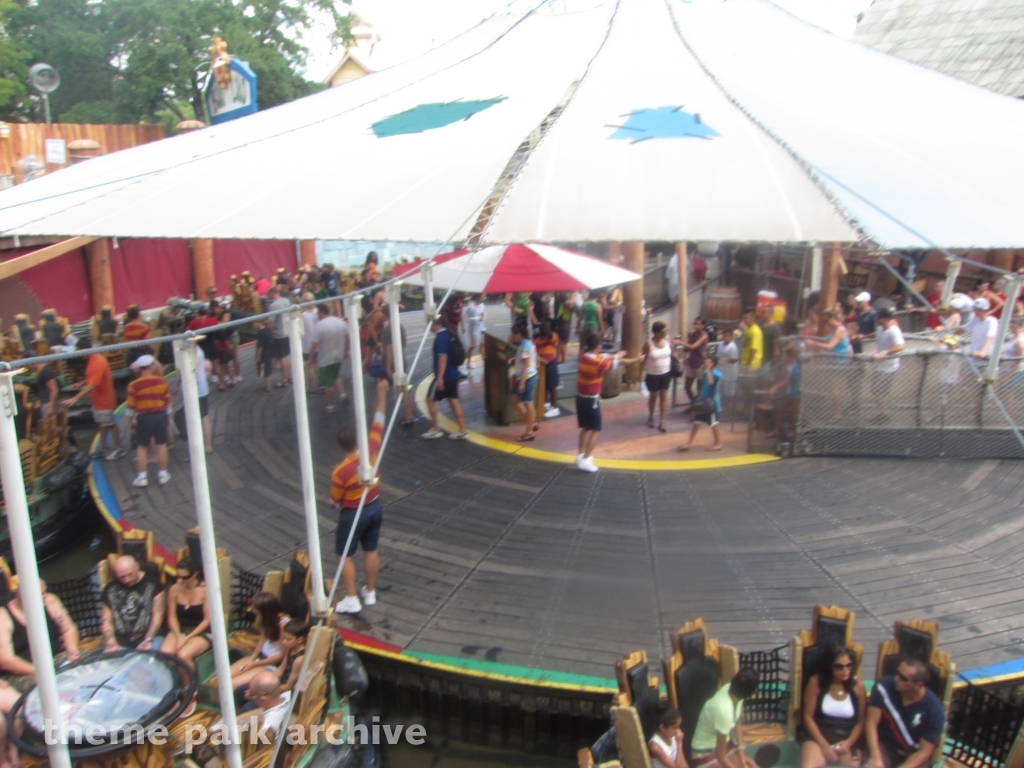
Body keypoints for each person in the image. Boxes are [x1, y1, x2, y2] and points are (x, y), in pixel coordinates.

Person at [332, 378, 389, 614]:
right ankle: (371, 591)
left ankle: (352, 598)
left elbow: (336, 501)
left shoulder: (341, 472)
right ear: (357, 440)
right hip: (375, 506)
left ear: (340, 446)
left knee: (344, 554)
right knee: (371, 550)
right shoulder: (372, 449)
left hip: (353, 513)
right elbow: (379, 419)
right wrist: (382, 393)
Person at [575, 333, 642, 472]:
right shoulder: (598, 363)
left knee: (586, 428)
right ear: (598, 346)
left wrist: (616, 355)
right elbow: (618, 363)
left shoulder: (584, 358)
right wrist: (637, 359)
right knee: (596, 429)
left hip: (580, 398)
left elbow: (607, 356)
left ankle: (580, 456)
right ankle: (586, 459)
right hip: (591, 400)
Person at [0, 581, 80, 691]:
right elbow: (7, 661)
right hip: (23, 673)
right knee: (48, 685)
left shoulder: (50, 602)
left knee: (86, 664)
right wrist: (41, 670)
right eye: (40, 595)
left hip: (54, 659)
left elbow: (68, 629)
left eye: (44, 592)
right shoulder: (3, 617)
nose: (44, 597)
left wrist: (72, 650)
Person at [865, 659, 945, 768]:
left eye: (903, 678)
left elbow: (924, 752)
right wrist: (875, 756)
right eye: (897, 673)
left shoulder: (935, 711)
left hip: (913, 753)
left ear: (918, 685)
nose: (896, 679)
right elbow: (871, 723)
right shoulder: (883, 687)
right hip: (885, 747)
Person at [799, 645, 867, 768]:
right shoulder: (816, 682)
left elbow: (861, 722)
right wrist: (824, 746)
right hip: (820, 734)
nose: (845, 670)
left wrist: (848, 743)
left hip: (847, 736)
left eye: (848, 665)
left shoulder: (858, 686)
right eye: (839, 666)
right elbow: (808, 717)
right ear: (829, 666)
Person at [63, 337, 123, 459]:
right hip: (97, 401)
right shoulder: (92, 360)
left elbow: (93, 384)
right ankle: (104, 447)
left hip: (104, 401)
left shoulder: (98, 362)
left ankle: (119, 448)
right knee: (101, 423)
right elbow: (92, 377)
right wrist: (80, 383)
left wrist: (76, 398)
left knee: (110, 424)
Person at [690, 668, 760, 768]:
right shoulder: (723, 711)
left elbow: (737, 722)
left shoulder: (735, 693)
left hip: (724, 745)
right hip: (704, 752)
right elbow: (720, 756)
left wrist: (741, 752)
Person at [101, 555, 165, 652]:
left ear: (137, 566)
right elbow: (106, 621)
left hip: (147, 636)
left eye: (129, 574)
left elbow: (158, 617)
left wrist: (148, 639)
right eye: (122, 577)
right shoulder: (110, 589)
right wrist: (111, 641)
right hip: (121, 640)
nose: (127, 580)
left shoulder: (153, 583)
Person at [126, 354, 171, 487]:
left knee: (142, 447)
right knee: (162, 445)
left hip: (144, 418)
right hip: (160, 416)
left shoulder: (133, 385)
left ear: (139, 369)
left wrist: (129, 422)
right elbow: (167, 404)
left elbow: (130, 408)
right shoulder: (162, 382)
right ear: (152, 366)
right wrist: (167, 418)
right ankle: (163, 475)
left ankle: (142, 477)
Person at [422, 317, 469, 440]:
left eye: (429, 323)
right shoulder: (450, 333)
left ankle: (435, 428)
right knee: (454, 400)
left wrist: (440, 378)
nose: (428, 326)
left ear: (435, 323)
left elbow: (442, 358)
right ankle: (463, 429)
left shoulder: (440, 337)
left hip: (445, 376)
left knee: (429, 399)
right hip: (454, 374)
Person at [230, 592, 287, 691]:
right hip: (260, 659)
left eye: (256, 608)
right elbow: (261, 641)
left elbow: (281, 656)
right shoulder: (266, 620)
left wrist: (255, 664)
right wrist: (251, 659)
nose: (253, 610)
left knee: (231, 684)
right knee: (223, 678)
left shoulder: (283, 624)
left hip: (270, 665)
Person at [161, 557, 211, 668]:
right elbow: (172, 616)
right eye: (178, 577)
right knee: (166, 653)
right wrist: (178, 635)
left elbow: (207, 620)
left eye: (185, 578)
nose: (180, 581)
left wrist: (187, 638)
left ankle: (189, 683)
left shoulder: (205, 591)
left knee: (183, 655)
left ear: (194, 575)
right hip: (181, 628)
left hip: (200, 631)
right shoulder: (174, 589)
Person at [309, 304, 349, 413]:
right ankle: (342, 394)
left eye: (318, 313)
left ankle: (330, 404)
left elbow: (314, 344)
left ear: (322, 312)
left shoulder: (320, 325)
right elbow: (347, 337)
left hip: (326, 356)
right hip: (339, 353)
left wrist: (311, 357)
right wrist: (346, 351)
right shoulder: (340, 322)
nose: (317, 315)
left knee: (327, 382)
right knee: (336, 375)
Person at [678, 355, 723, 452]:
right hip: (703, 402)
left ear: (712, 364)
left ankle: (718, 443)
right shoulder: (703, 373)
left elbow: (711, 383)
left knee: (713, 423)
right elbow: (703, 387)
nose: (705, 364)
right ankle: (689, 443)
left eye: (707, 362)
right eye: (705, 362)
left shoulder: (716, 374)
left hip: (712, 404)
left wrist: (707, 370)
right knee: (697, 422)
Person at [381, 315, 415, 427]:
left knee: (382, 387)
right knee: (403, 388)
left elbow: (389, 349)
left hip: (392, 363)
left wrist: (388, 366)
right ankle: (409, 415)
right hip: (401, 361)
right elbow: (404, 344)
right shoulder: (400, 326)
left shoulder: (387, 330)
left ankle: (375, 414)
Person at [872, 307, 905, 420]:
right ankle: (883, 412)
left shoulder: (894, 331)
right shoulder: (881, 328)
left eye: (880, 318)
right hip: (879, 365)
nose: (877, 320)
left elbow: (901, 346)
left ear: (886, 319)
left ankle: (884, 414)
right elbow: (876, 334)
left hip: (889, 366)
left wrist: (885, 353)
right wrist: (864, 336)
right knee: (876, 390)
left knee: (882, 391)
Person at [508, 324, 539, 441]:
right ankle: (532, 423)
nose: (512, 336)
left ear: (519, 334)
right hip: (523, 376)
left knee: (528, 403)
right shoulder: (525, 343)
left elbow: (526, 363)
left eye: (513, 334)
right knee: (515, 399)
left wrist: (521, 383)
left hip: (527, 378)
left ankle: (529, 432)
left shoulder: (526, 345)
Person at [643, 322, 674, 432]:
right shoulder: (648, 344)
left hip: (665, 372)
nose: (665, 333)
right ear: (656, 333)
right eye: (663, 331)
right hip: (652, 374)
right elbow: (643, 359)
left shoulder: (667, 341)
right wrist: (641, 373)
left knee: (664, 396)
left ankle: (662, 420)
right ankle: (651, 417)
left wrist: (680, 360)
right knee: (653, 396)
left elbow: (672, 352)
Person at [765, 346, 800, 440]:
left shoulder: (796, 366)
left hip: (795, 392)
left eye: (786, 356)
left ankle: (794, 432)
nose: (785, 358)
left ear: (790, 356)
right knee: (782, 411)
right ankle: (776, 430)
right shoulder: (791, 365)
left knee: (793, 412)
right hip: (790, 391)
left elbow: (788, 380)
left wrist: (775, 386)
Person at [266, 286, 293, 387]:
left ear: (273, 293)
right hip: (287, 331)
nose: (268, 297)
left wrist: (270, 331)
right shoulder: (286, 300)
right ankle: (290, 377)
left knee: (282, 357)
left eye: (268, 294)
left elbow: (271, 323)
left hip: (278, 334)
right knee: (287, 355)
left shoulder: (273, 306)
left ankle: (284, 379)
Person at [682, 317, 710, 408]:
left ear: (703, 326)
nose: (696, 326)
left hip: (700, 363)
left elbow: (693, 346)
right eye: (695, 324)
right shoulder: (692, 334)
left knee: (699, 389)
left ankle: (698, 407)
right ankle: (694, 404)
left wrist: (679, 342)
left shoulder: (704, 336)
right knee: (687, 387)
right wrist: (681, 351)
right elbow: (688, 347)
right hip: (691, 362)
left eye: (699, 324)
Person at [535, 321, 561, 418]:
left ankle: (555, 407)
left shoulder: (553, 336)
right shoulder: (538, 339)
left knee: (552, 385)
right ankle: (546, 403)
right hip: (542, 364)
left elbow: (552, 337)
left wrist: (546, 330)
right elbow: (535, 346)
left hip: (551, 363)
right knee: (544, 385)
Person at [463, 293, 487, 366]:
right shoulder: (471, 307)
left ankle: (484, 359)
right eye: (482, 297)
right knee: (473, 346)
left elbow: (483, 314)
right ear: (477, 297)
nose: (484, 299)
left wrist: (483, 316)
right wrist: (478, 318)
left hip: (481, 327)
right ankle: (468, 362)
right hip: (473, 329)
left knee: (482, 344)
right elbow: (467, 319)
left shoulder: (482, 305)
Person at [719, 328, 740, 400]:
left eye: (728, 336)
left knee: (730, 394)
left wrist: (724, 360)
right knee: (722, 392)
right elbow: (718, 356)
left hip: (731, 374)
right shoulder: (720, 344)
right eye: (724, 336)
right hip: (722, 372)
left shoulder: (733, 347)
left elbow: (735, 359)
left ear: (731, 337)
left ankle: (729, 408)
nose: (726, 338)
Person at [553, 292, 575, 363]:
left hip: (562, 318)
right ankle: (563, 360)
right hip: (563, 318)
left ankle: (559, 359)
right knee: (563, 341)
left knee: (560, 340)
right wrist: (573, 295)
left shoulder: (560, 291)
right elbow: (568, 303)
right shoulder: (562, 292)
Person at [254, 319, 274, 393]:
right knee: (267, 370)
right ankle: (269, 386)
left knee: (266, 372)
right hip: (269, 352)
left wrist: (258, 356)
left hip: (264, 354)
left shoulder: (261, 333)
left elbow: (260, 346)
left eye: (255, 323)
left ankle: (268, 387)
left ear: (259, 322)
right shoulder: (267, 330)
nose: (253, 325)